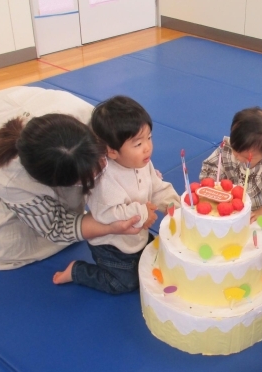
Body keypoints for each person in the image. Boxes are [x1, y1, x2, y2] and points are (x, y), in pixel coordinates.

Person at [0, 86, 141, 270]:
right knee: (6, 248)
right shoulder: (11, 176)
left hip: (11, 104)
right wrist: (109, 226)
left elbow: (130, 151)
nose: (104, 167)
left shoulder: (89, 118)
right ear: (53, 182)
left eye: (100, 157)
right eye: (84, 179)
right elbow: (55, 226)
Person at [53, 96, 179, 293]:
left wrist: (175, 206)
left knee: (157, 260)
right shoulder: (105, 180)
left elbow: (156, 187)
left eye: (149, 138)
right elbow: (108, 214)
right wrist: (142, 212)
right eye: (137, 144)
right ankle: (77, 271)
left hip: (135, 236)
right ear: (112, 152)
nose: (147, 147)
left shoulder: (141, 162)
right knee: (125, 283)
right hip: (112, 247)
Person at [200, 107, 262, 251]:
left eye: (246, 157)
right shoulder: (228, 148)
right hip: (237, 200)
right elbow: (213, 168)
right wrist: (211, 186)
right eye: (237, 150)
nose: (238, 157)